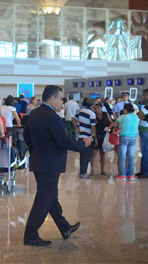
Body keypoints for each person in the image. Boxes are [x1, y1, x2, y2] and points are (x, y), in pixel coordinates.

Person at [23, 85, 91, 246]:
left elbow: (26, 135)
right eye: (60, 98)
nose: (62, 102)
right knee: (44, 200)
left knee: (50, 197)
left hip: (40, 161)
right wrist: (83, 144)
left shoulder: (34, 113)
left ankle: (65, 227)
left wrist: (35, 151)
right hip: (49, 164)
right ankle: (30, 235)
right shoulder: (52, 117)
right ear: (52, 99)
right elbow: (63, 141)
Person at [114, 103, 140, 181]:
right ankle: (131, 175)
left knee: (122, 156)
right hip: (133, 138)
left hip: (123, 137)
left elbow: (115, 124)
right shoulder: (136, 117)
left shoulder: (123, 116)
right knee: (131, 157)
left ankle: (122, 175)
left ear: (125, 109)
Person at [75, 98, 97, 178]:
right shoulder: (92, 114)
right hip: (88, 137)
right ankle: (83, 173)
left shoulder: (81, 111)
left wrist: (76, 128)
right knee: (86, 155)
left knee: (82, 155)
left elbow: (73, 118)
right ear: (92, 104)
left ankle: (82, 171)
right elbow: (93, 127)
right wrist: (95, 137)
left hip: (81, 136)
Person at [93, 102, 113, 175]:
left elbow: (111, 122)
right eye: (96, 109)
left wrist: (108, 128)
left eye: (98, 108)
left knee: (102, 153)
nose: (97, 110)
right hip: (95, 134)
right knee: (93, 153)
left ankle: (102, 170)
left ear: (101, 108)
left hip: (103, 135)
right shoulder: (93, 115)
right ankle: (92, 170)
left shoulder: (105, 114)